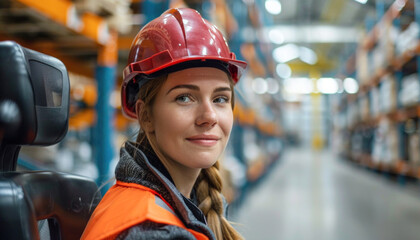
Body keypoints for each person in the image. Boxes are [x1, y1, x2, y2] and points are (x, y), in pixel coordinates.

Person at [81, 7, 247, 240]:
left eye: (220, 99)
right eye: (184, 98)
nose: (209, 116)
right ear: (145, 116)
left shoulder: (165, 205)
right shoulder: (154, 231)